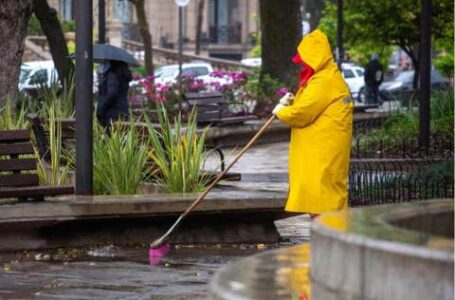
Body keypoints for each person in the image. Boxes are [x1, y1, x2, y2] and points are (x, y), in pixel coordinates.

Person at [272, 29, 353, 217]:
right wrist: (290, 101)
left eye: (305, 60)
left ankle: (329, 241)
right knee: (320, 197)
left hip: (322, 152)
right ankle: (326, 240)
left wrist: (281, 111)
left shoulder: (324, 81)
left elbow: (302, 113)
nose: (303, 64)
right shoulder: (325, 77)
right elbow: (309, 104)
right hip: (320, 151)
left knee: (323, 199)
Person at [96, 60, 132, 128]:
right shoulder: (123, 75)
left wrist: (102, 109)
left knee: (109, 135)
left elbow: (112, 94)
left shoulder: (112, 75)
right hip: (122, 109)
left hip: (111, 112)